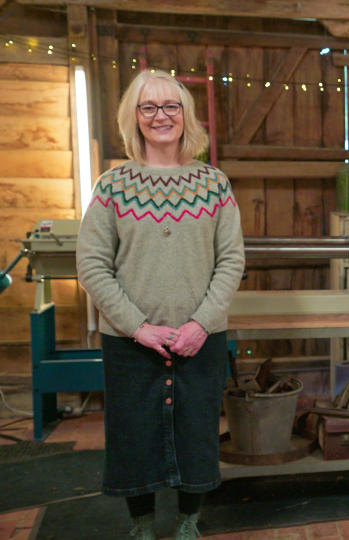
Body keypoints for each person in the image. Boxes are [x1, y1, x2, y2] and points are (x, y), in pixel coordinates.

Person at [77, 70, 244, 540]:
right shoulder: (113, 186)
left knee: (195, 433)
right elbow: (91, 264)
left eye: (171, 106)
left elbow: (231, 261)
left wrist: (200, 323)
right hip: (131, 344)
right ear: (134, 118)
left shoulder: (214, 184)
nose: (161, 116)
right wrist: (138, 327)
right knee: (134, 436)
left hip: (200, 340)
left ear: (185, 115)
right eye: (148, 107)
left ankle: (190, 521)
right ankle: (142, 526)